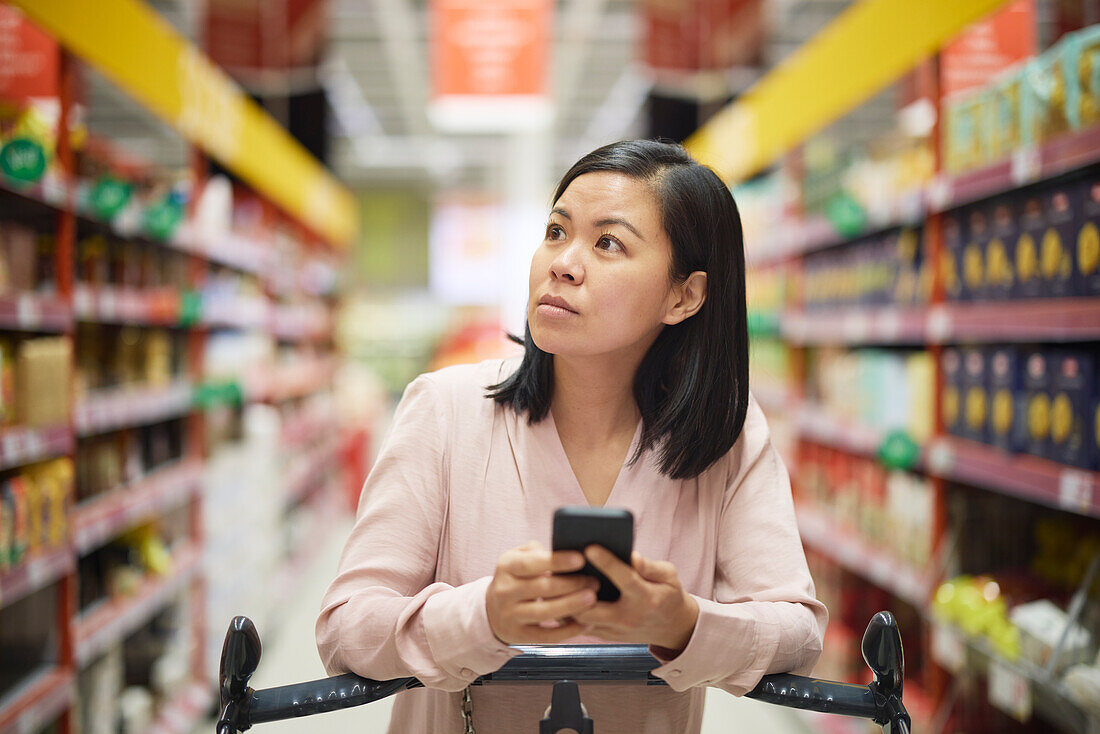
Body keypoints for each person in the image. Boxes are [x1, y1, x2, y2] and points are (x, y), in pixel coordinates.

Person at [316, 140, 827, 734]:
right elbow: (346, 630)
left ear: (683, 295)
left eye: (608, 243)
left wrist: (683, 625)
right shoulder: (445, 410)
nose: (563, 262)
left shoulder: (727, 439)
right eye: (556, 232)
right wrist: (482, 617)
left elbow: (797, 634)